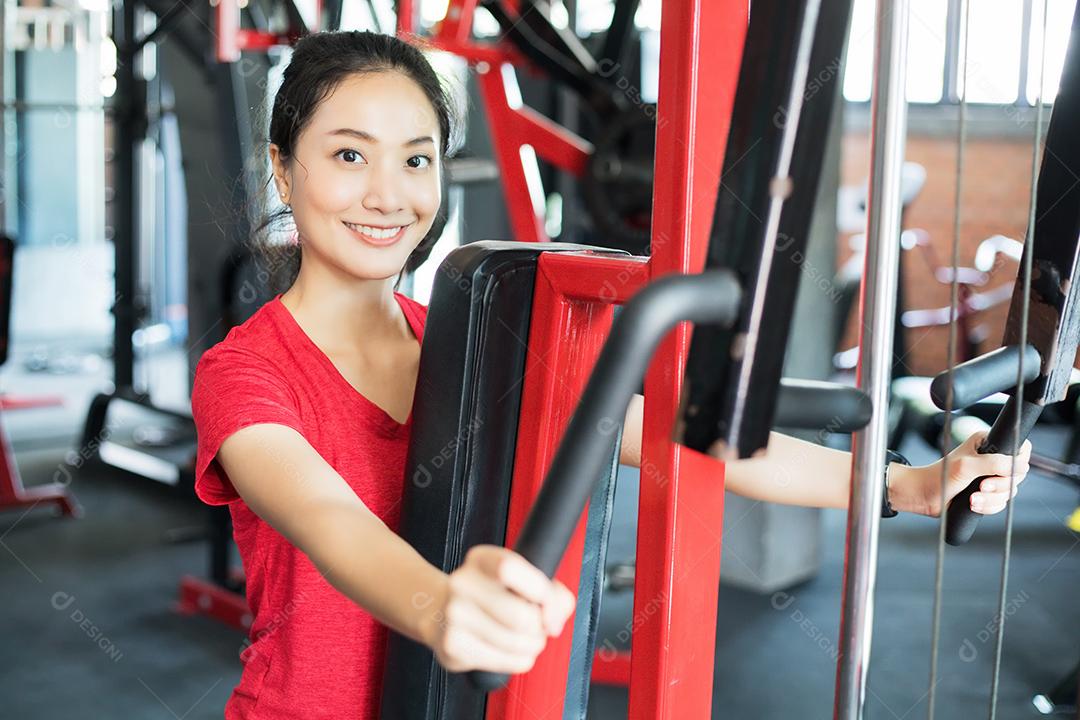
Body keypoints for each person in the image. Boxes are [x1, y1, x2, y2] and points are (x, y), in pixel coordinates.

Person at [191, 30, 1033, 719]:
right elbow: (332, 524)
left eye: (415, 160)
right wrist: (439, 607)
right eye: (348, 156)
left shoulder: (473, 344)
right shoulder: (246, 376)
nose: (388, 195)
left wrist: (909, 484)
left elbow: (685, 437)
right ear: (282, 166)